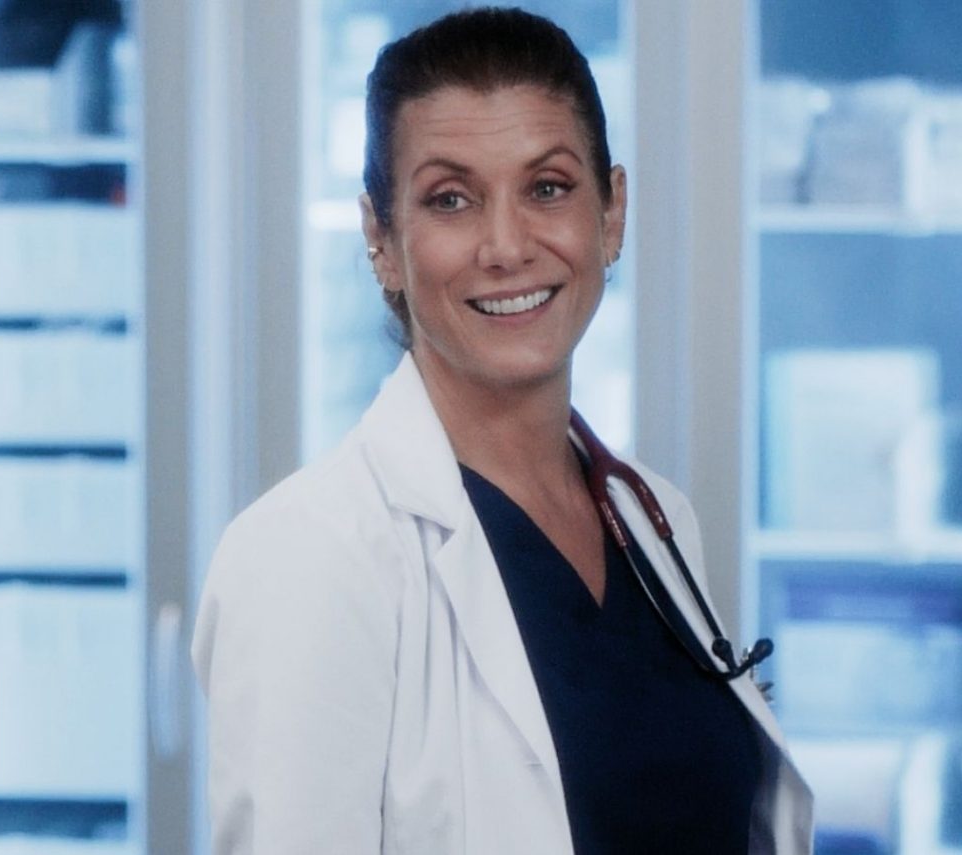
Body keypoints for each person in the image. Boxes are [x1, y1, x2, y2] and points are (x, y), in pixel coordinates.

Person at [192, 7, 813, 854]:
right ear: (381, 240)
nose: (506, 245)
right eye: (450, 200)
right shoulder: (311, 555)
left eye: (547, 188)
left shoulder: (654, 518)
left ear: (611, 213)